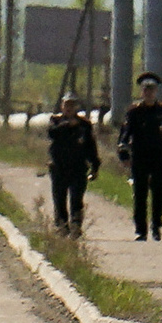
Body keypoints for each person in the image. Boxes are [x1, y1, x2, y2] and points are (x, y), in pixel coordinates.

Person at [117, 73, 162, 242]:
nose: (149, 93)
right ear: (142, 91)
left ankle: (156, 226)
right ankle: (140, 230)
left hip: (158, 157)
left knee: (159, 193)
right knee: (140, 193)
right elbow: (124, 135)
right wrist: (123, 155)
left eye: (152, 90)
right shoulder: (134, 112)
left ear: (156, 91)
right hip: (139, 156)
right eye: (146, 89)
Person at [46, 93, 100, 236]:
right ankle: (62, 226)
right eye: (66, 105)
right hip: (59, 167)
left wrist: (95, 166)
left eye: (72, 105)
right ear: (62, 106)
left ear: (76, 107)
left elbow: (91, 147)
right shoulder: (55, 121)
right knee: (59, 199)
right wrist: (66, 125)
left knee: (76, 199)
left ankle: (76, 225)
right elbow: (52, 134)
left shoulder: (84, 125)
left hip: (78, 168)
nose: (69, 108)